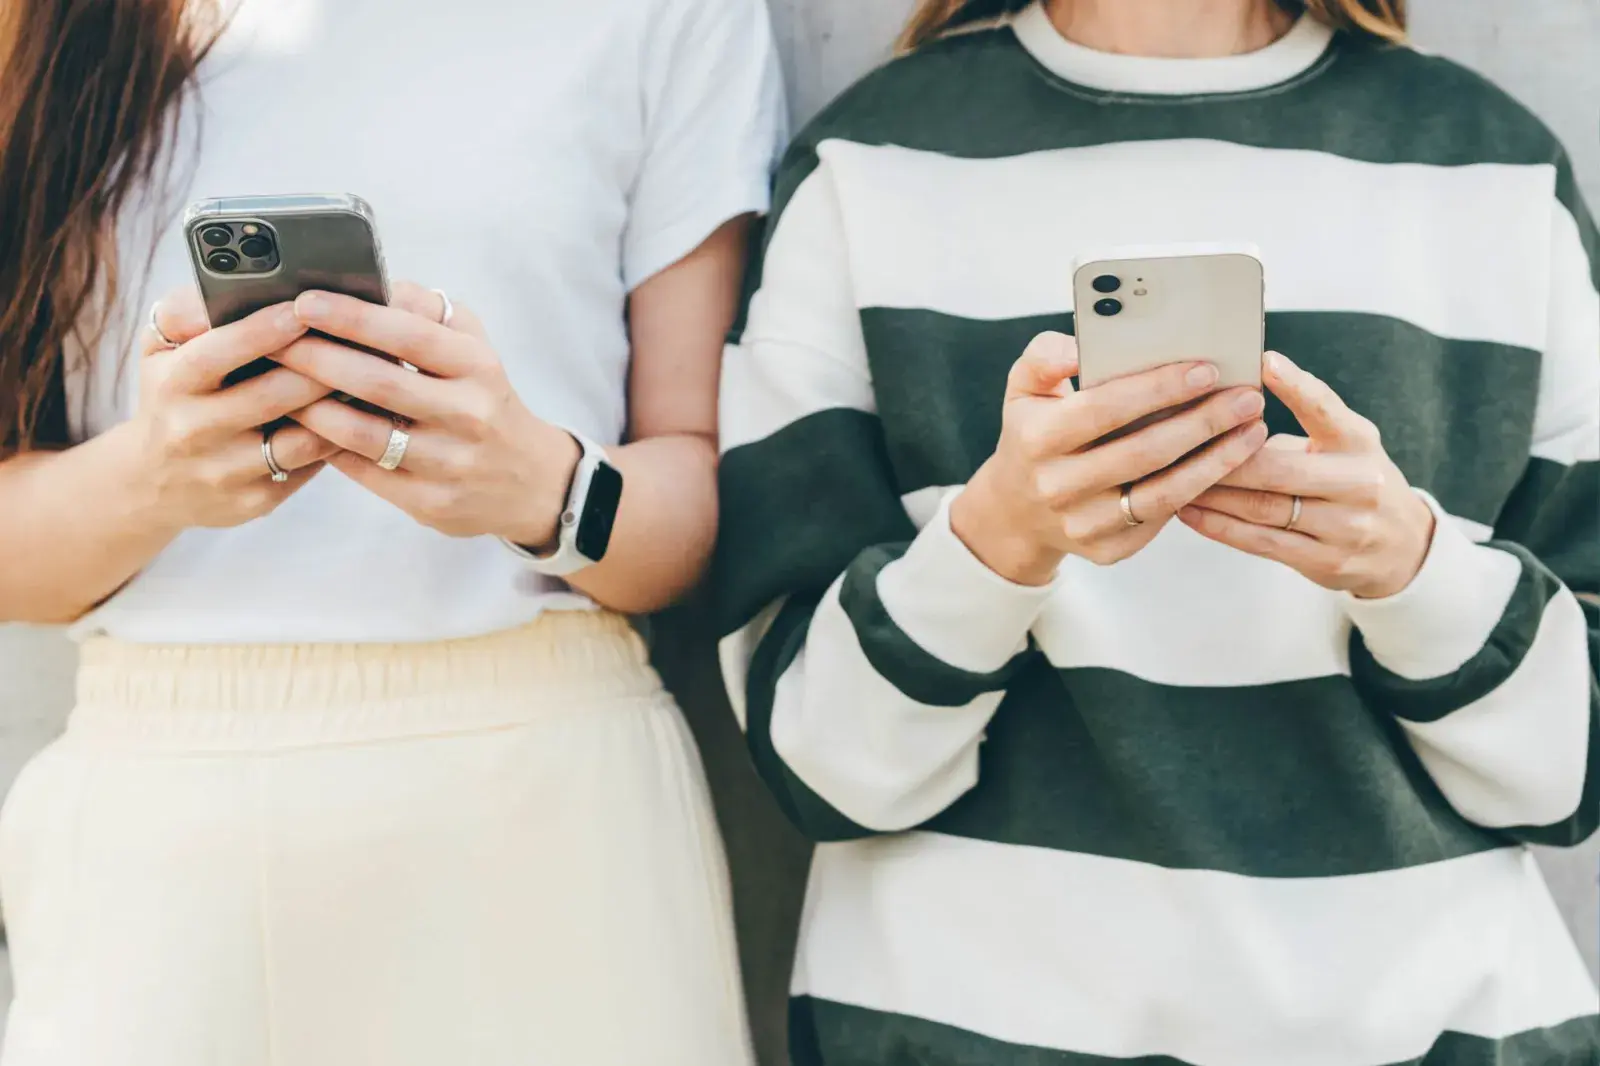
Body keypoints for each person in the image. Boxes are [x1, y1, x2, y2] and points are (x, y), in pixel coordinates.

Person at [716, 0, 1599, 1063]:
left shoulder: (1492, 170)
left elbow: (1576, 769)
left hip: (1434, 1031)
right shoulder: (867, 166)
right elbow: (817, 765)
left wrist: (1412, 570)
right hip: (962, 1030)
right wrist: (993, 548)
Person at [0, 0, 784, 1062]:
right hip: (162, 832)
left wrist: (542, 486)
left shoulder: (669, 15)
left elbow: (693, 502)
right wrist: (154, 475)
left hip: (546, 800)